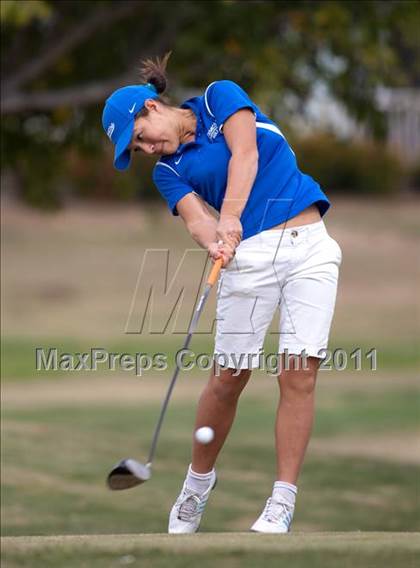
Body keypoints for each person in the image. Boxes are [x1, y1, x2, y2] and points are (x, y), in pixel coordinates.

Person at [102, 53, 342, 534]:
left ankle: (281, 501)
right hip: (248, 260)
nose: (146, 150)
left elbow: (247, 155)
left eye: (140, 139)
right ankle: (196, 485)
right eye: (137, 150)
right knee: (229, 376)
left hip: (310, 248)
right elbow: (198, 220)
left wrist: (230, 216)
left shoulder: (219, 97)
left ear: (150, 108)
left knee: (298, 373)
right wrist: (216, 239)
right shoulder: (167, 172)